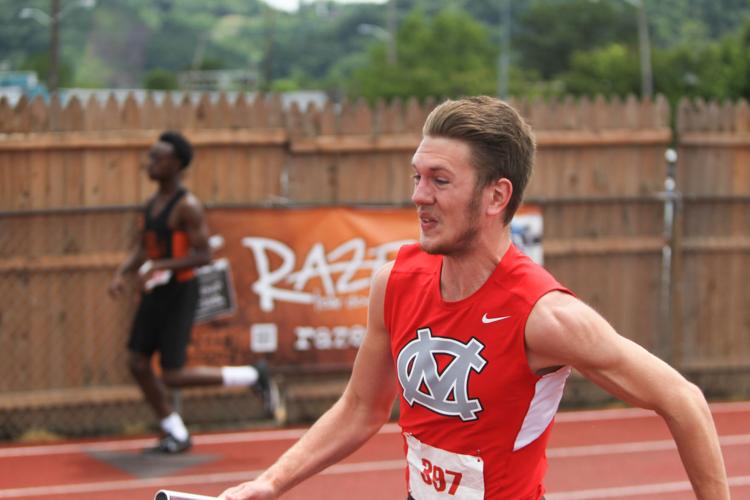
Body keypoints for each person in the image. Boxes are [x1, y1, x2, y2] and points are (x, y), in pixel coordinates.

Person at [217, 97, 729, 499]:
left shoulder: (546, 316)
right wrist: (272, 482)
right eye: (417, 177)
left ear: (496, 197)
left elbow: (684, 400)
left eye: (440, 181)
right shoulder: (393, 282)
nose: (420, 195)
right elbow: (360, 408)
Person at [109, 131, 275, 454]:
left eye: (158, 157)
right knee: (137, 363)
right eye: (150, 156)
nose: (150, 162)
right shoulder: (150, 206)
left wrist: (162, 267)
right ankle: (175, 431)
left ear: (177, 164)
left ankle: (251, 375)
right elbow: (144, 249)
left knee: (172, 373)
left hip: (180, 292)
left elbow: (203, 256)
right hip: (154, 293)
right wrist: (122, 273)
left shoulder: (188, 206)